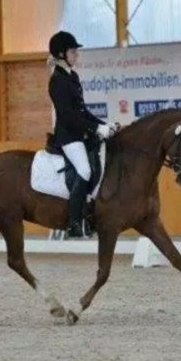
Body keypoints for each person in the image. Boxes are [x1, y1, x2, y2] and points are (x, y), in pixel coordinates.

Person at [47, 31, 117, 238]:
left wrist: (104, 125)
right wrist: (95, 129)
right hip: (68, 136)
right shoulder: (57, 80)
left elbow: (82, 111)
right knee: (84, 170)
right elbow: (67, 116)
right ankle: (74, 223)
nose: (76, 54)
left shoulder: (73, 77)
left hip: (80, 133)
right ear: (62, 54)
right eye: (73, 51)